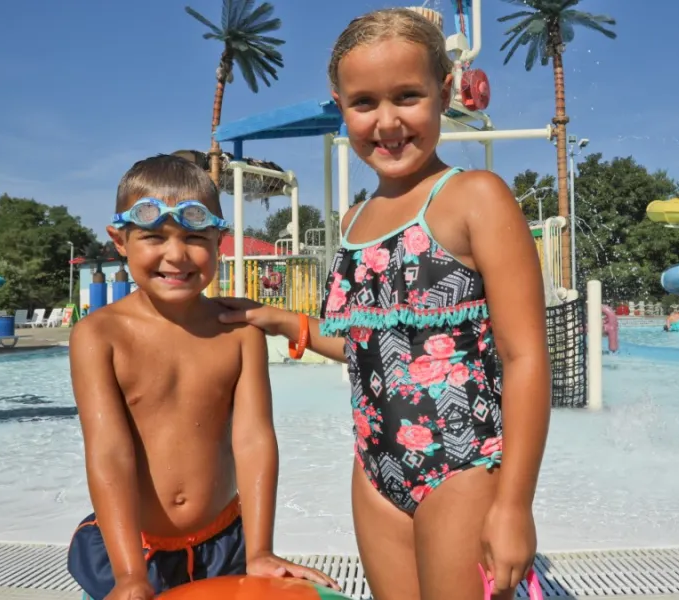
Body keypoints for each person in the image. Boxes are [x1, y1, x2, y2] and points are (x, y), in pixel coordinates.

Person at [216, 9, 551, 599]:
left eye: (408, 96)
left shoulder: (476, 198)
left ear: (445, 91)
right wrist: (280, 321)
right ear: (340, 105)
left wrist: (514, 505)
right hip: (374, 472)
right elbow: (362, 343)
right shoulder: (354, 222)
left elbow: (524, 358)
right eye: (365, 102)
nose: (388, 122)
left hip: (463, 462)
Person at [65, 155, 335, 600]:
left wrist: (261, 551)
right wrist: (130, 573)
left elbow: (253, 440)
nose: (176, 255)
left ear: (218, 242)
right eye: (154, 237)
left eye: (195, 238)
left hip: (226, 543)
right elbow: (109, 453)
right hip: (133, 550)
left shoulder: (239, 331)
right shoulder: (99, 336)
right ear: (120, 240)